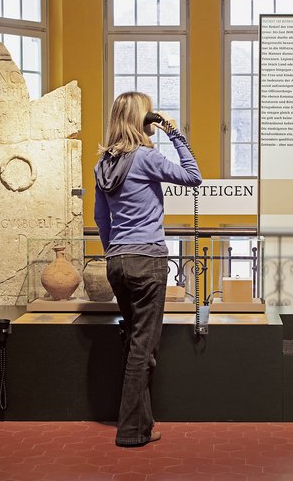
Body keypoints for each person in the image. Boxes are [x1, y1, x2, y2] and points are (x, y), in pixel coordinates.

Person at [94, 91, 202, 447]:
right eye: (149, 113)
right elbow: (193, 176)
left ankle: (143, 425)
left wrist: (114, 253)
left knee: (135, 342)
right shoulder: (145, 157)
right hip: (147, 260)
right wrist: (174, 133)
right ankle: (129, 431)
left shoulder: (103, 164)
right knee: (143, 348)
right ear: (143, 119)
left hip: (117, 261)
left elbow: (100, 218)